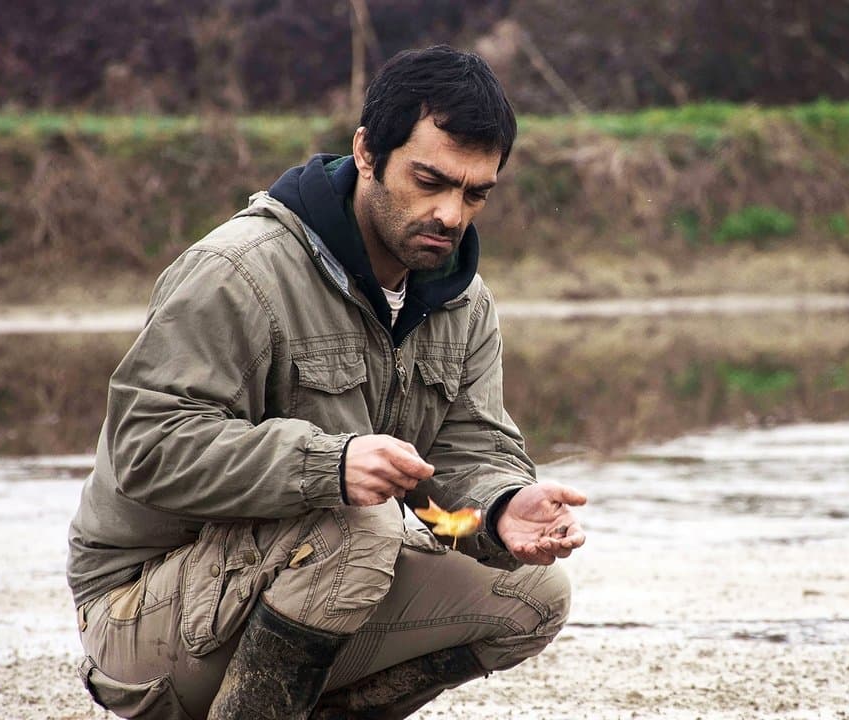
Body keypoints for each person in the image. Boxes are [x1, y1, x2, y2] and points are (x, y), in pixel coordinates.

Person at [66, 45, 586, 720]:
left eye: (474, 193)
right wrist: (329, 467)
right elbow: (147, 447)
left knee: (534, 596)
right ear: (367, 152)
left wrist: (499, 507)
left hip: (307, 579)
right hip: (139, 609)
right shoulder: (238, 272)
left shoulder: (463, 302)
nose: (451, 215)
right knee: (360, 527)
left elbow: (465, 453)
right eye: (429, 181)